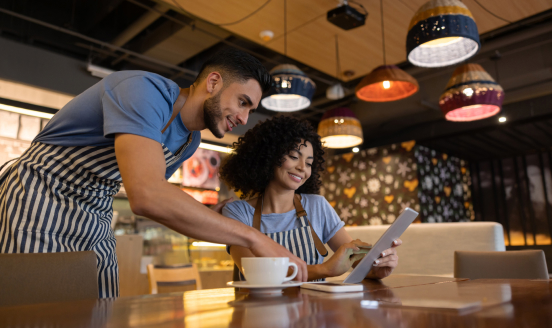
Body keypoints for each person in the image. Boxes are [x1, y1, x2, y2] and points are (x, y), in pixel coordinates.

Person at [0, 48, 308, 298]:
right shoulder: (144, 91)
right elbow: (147, 196)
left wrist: (213, 213)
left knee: (101, 304)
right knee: (35, 309)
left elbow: (161, 201)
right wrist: (254, 238)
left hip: (96, 211)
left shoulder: (190, 141)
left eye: (250, 111)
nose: (243, 118)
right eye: (243, 103)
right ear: (213, 82)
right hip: (41, 195)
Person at [220, 116, 401, 281]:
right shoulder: (237, 212)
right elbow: (256, 275)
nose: (302, 168)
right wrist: (324, 269)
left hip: (315, 311)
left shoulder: (317, 206)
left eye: (309, 163)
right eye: (293, 156)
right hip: (261, 313)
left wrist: (376, 269)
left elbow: (356, 263)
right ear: (268, 156)